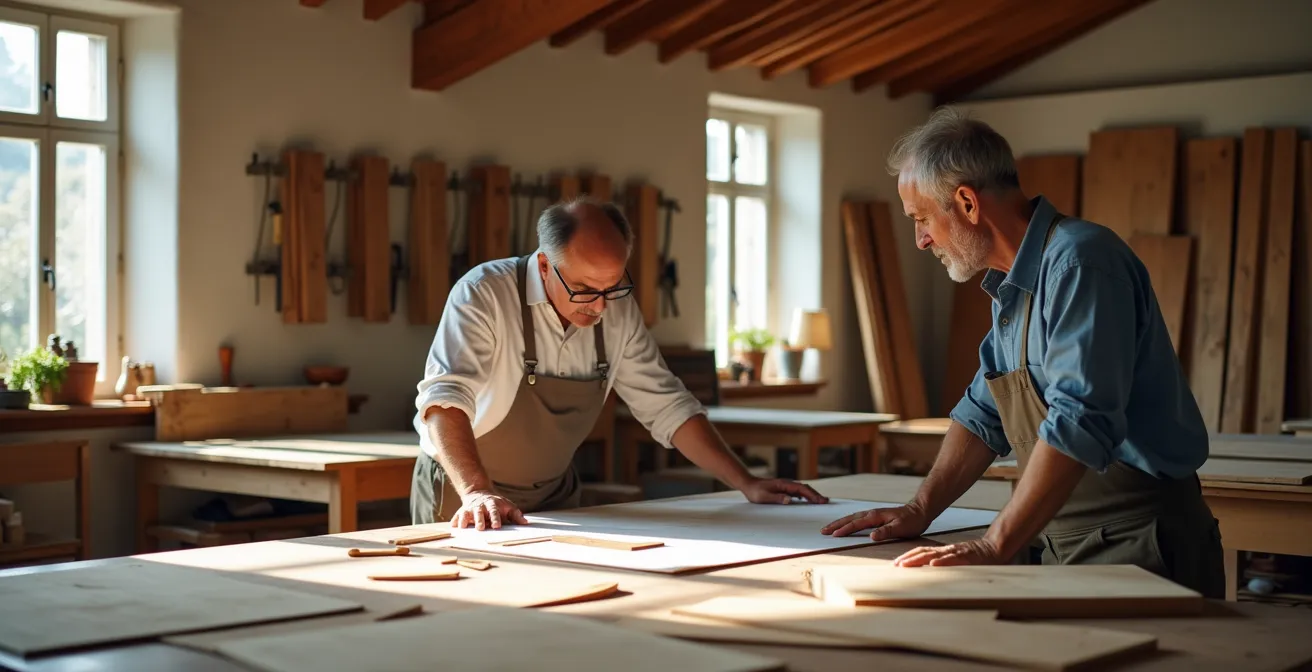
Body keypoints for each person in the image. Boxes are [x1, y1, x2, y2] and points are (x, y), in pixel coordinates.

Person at [822, 107, 1224, 598]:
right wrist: (919, 509)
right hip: (1062, 541)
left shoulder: (1080, 262)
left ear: (967, 202)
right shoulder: (1014, 289)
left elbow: (1080, 417)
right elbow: (982, 416)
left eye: (922, 218)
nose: (921, 239)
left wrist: (994, 545)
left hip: (1140, 544)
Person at [413, 197, 828, 530]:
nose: (598, 306)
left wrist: (746, 482)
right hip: (463, 493)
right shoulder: (484, 294)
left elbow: (668, 407)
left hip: (553, 497)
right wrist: (476, 491)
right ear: (544, 265)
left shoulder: (617, 310)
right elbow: (445, 401)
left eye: (611, 288)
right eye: (582, 289)